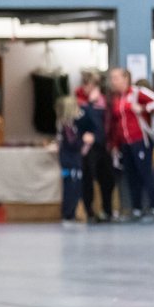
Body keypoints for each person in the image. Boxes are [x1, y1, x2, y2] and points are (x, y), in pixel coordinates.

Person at [106, 67, 154, 222]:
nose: (113, 81)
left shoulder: (137, 92)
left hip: (140, 140)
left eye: (116, 78)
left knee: (146, 173)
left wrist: (143, 108)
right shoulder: (117, 98)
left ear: (125, 78)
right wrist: (116, 144)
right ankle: (136, 208)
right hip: (125, 142)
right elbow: (116, 123)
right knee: (131, 176)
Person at [75, 69, 115, 222]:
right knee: (88, 180)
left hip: (104, 146)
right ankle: (89, 211)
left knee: (107, 179)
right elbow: (81, 124)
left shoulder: (105, 101)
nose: (88, 87)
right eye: (86, 84)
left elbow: (107, 124)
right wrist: (90, 104)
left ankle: (107, 210)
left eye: (91, 84)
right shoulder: (80, 102)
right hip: (89, 148)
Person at [56, 96, 90, 226]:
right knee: (72, 186)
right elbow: (73, 143)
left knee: (70, 185)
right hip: (71, 161)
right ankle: (68, 214)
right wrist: (84, 142)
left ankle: (70, 213)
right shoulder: (67, 125)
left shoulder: (66, 124)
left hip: (67, 160)